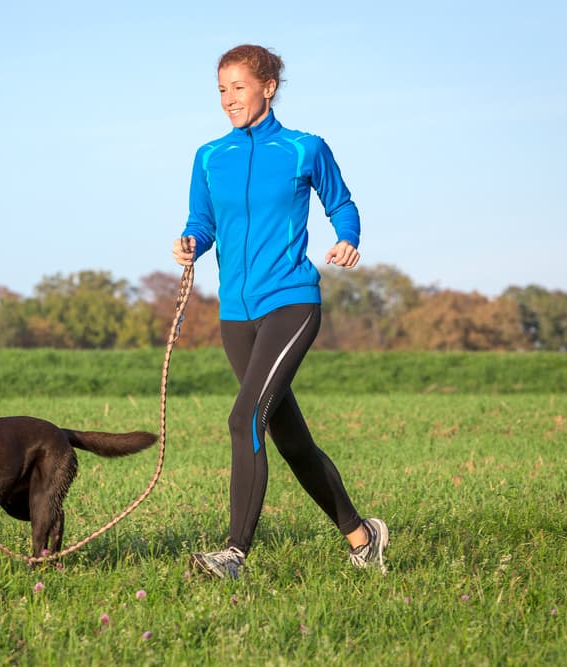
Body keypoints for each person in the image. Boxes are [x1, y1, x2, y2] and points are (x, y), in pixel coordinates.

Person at [173, 44, 389, 579]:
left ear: (268, 87)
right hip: (235, 314)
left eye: (238, 87)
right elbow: (203, 220)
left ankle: (233, 554)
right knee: (288, 438)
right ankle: (364, 537)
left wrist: (348, 238)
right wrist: (190, 242)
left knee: (244, 418)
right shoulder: (209, 156)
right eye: (221, 89)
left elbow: (342, 203)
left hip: (291, 302)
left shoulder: (303, 149)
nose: (228, 99)